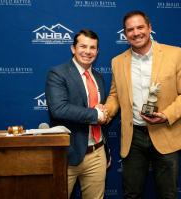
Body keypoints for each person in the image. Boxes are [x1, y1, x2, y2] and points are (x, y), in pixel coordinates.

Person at [105, 10, 181, 198]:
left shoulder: (174, 53)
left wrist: (166, 115)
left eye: (140, 27)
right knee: (131, 194)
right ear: (125, 34)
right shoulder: (117, 62)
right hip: (134, 137)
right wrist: (105, 112)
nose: (136, 32)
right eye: (130, 29)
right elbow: (115, 95)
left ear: (150, 28)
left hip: (165, 131)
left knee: (167, 194)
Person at [45, 29, 110, 199]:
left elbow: (101, 112)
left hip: (97, 153)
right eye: (83, 46)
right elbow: (58, 109)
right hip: (69, 154)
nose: (88, 52)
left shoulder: (99, 77)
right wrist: (96, 115)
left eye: (92, 48)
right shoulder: (58, 73)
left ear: (97, 51)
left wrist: (104, 115)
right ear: (73, 48)